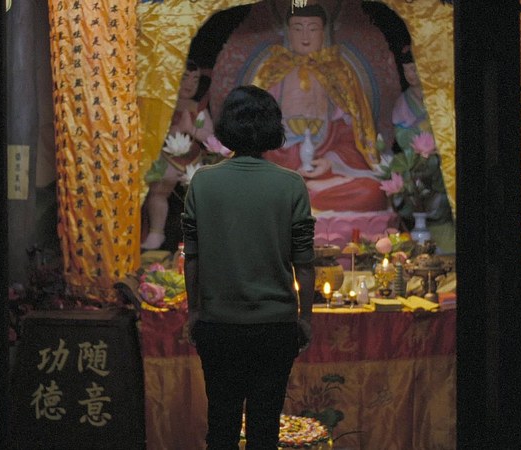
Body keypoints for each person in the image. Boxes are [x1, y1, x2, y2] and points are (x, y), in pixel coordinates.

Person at [182, 85, 316, 450]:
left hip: (218, 325)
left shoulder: (203, 182)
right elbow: (304, 263)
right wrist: (305, 318)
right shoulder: (291, 184)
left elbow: (192, 257)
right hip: (275, 327)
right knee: (264, 431)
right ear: (273, 127)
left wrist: (194, 311)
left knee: (221, 428)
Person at [251, 4, 388, 216]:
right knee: (251, 188)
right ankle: (300, 193)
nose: (305, 36)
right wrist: (284, 156)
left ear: (324, 33)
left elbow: (351, 135)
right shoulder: (271, 72)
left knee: (373, 192)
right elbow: (255, 129)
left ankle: (304, 195)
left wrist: (330, 162)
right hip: (279, 164)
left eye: (313, 28)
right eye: (298, 28)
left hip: (326, 167)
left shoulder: (339, 73)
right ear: (288, 32)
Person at [142, 60, 215, 250]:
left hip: (193, 158)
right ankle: (156, 231)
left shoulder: (198, 108)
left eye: (195, 79)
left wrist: (190, 129)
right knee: (160, 187)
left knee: (201, 191)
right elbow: (154, 133)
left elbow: (209, 136)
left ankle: (204, 233)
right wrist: (175, 129)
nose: (190, 84)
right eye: (185, 78)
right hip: (168, 157)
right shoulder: (164, 105)